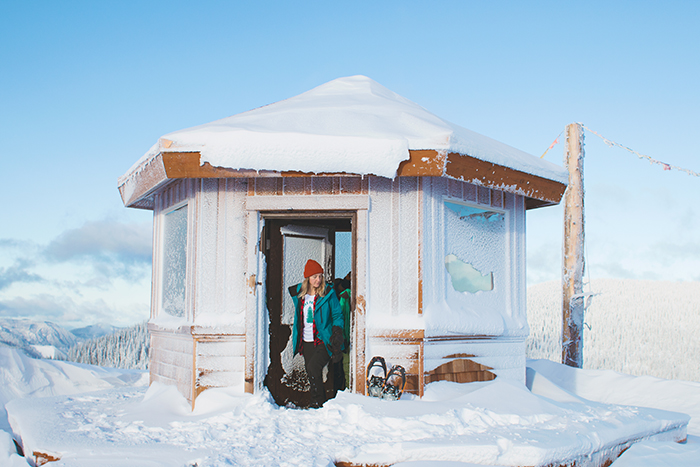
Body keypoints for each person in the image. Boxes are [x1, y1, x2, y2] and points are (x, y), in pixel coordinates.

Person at [289, 259, 344, 408]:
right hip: (306, 340)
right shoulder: (301, 294)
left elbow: (337, 315)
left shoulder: (328, 293)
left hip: (323, 339)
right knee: (311, 372)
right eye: (314, 276)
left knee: (313, 367)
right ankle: (318, 403)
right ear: (307, 278)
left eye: (320, 276)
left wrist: (337, 331)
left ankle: (317, 402)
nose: (318, 280)